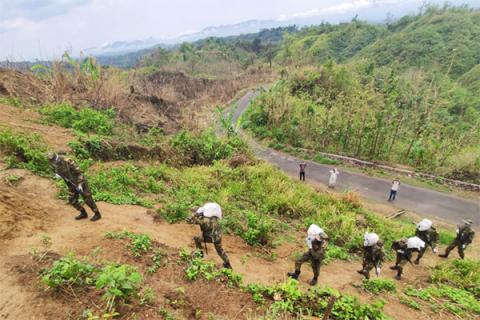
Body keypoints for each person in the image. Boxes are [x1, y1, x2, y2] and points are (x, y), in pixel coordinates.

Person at [47, 152, 101, 221]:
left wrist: (80, 184)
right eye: (52, 161)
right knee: (72, 200)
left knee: (87, 198)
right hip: (70, 183)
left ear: (57, 157)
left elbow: (80, 173)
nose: (54, 162)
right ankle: (83, 213)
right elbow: (55, 171)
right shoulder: (52, 162)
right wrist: (57, 175)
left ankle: (97, 214)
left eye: (55, 160)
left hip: (80, 181)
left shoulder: (67, 160)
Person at [187, 203, 232, 269]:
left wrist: (194, 219)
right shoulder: (212, 217)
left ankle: (200, 254)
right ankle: (227, 263)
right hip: (218, 236)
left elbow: (205, 225)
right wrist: (193, 219)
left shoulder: (206, 219)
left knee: (197, 239)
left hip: (211, 237)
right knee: (219, 250)